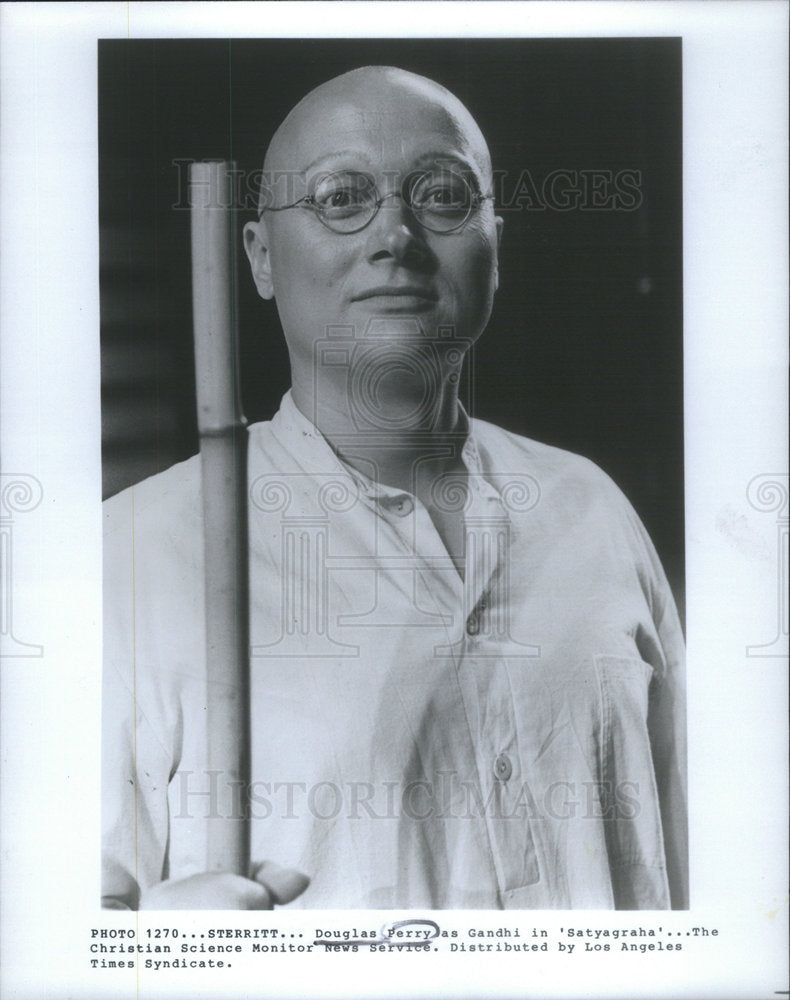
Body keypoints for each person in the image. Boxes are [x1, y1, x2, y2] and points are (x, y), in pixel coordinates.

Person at [102, 65, 687, 910]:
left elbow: (698, 867)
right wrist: (143, 951)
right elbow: (63, 925)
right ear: (260, 257)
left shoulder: (590, 506)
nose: (396, 237)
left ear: (495, 245)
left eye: (442, 195)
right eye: (341, 197)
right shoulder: (134, 553)